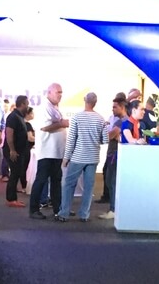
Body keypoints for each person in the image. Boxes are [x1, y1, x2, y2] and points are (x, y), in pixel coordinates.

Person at [56, 92, 107, 223]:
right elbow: (105, 140)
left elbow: (71, 140)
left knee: (69, 185)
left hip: (78, 157)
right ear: (95, 102)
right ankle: (84, 214)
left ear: (84, 100)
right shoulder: (101, 119)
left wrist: (66, 158)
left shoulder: (77, 117)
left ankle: (64, 213)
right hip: (93, 157)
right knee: (89, 187)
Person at [29, 83, 68, 220]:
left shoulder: (54, 108)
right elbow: (45, 127)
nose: (60, 95)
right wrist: (62, 123)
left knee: (56, 181)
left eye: (61, 92)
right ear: (49, 92)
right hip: (47, 151)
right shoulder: (45, 107)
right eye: (58, 92)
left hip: (56, 151)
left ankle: (58, 209)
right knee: (41, 180)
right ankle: (34, 209)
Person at [99, 93, 127, 220]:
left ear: (122, 107)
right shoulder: (119, 121)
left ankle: (114, 209)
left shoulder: (122, 121)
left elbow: (110, 136)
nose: (113, 109)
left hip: (115, 155)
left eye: (115, 107)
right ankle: (113, 209)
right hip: (113, 153)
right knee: (110, 181)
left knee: (112, 181)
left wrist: (107, 134)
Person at [4, 95, 30, 207]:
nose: (28, 106)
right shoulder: (13, 117)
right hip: (14, 151)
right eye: (27, 104)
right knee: (15, 173)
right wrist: (12, 150)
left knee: (17, 173)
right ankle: (11, 199)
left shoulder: (19, 116)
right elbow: (9, 134)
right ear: (22, 104)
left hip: (19, 150)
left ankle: (12, 197)